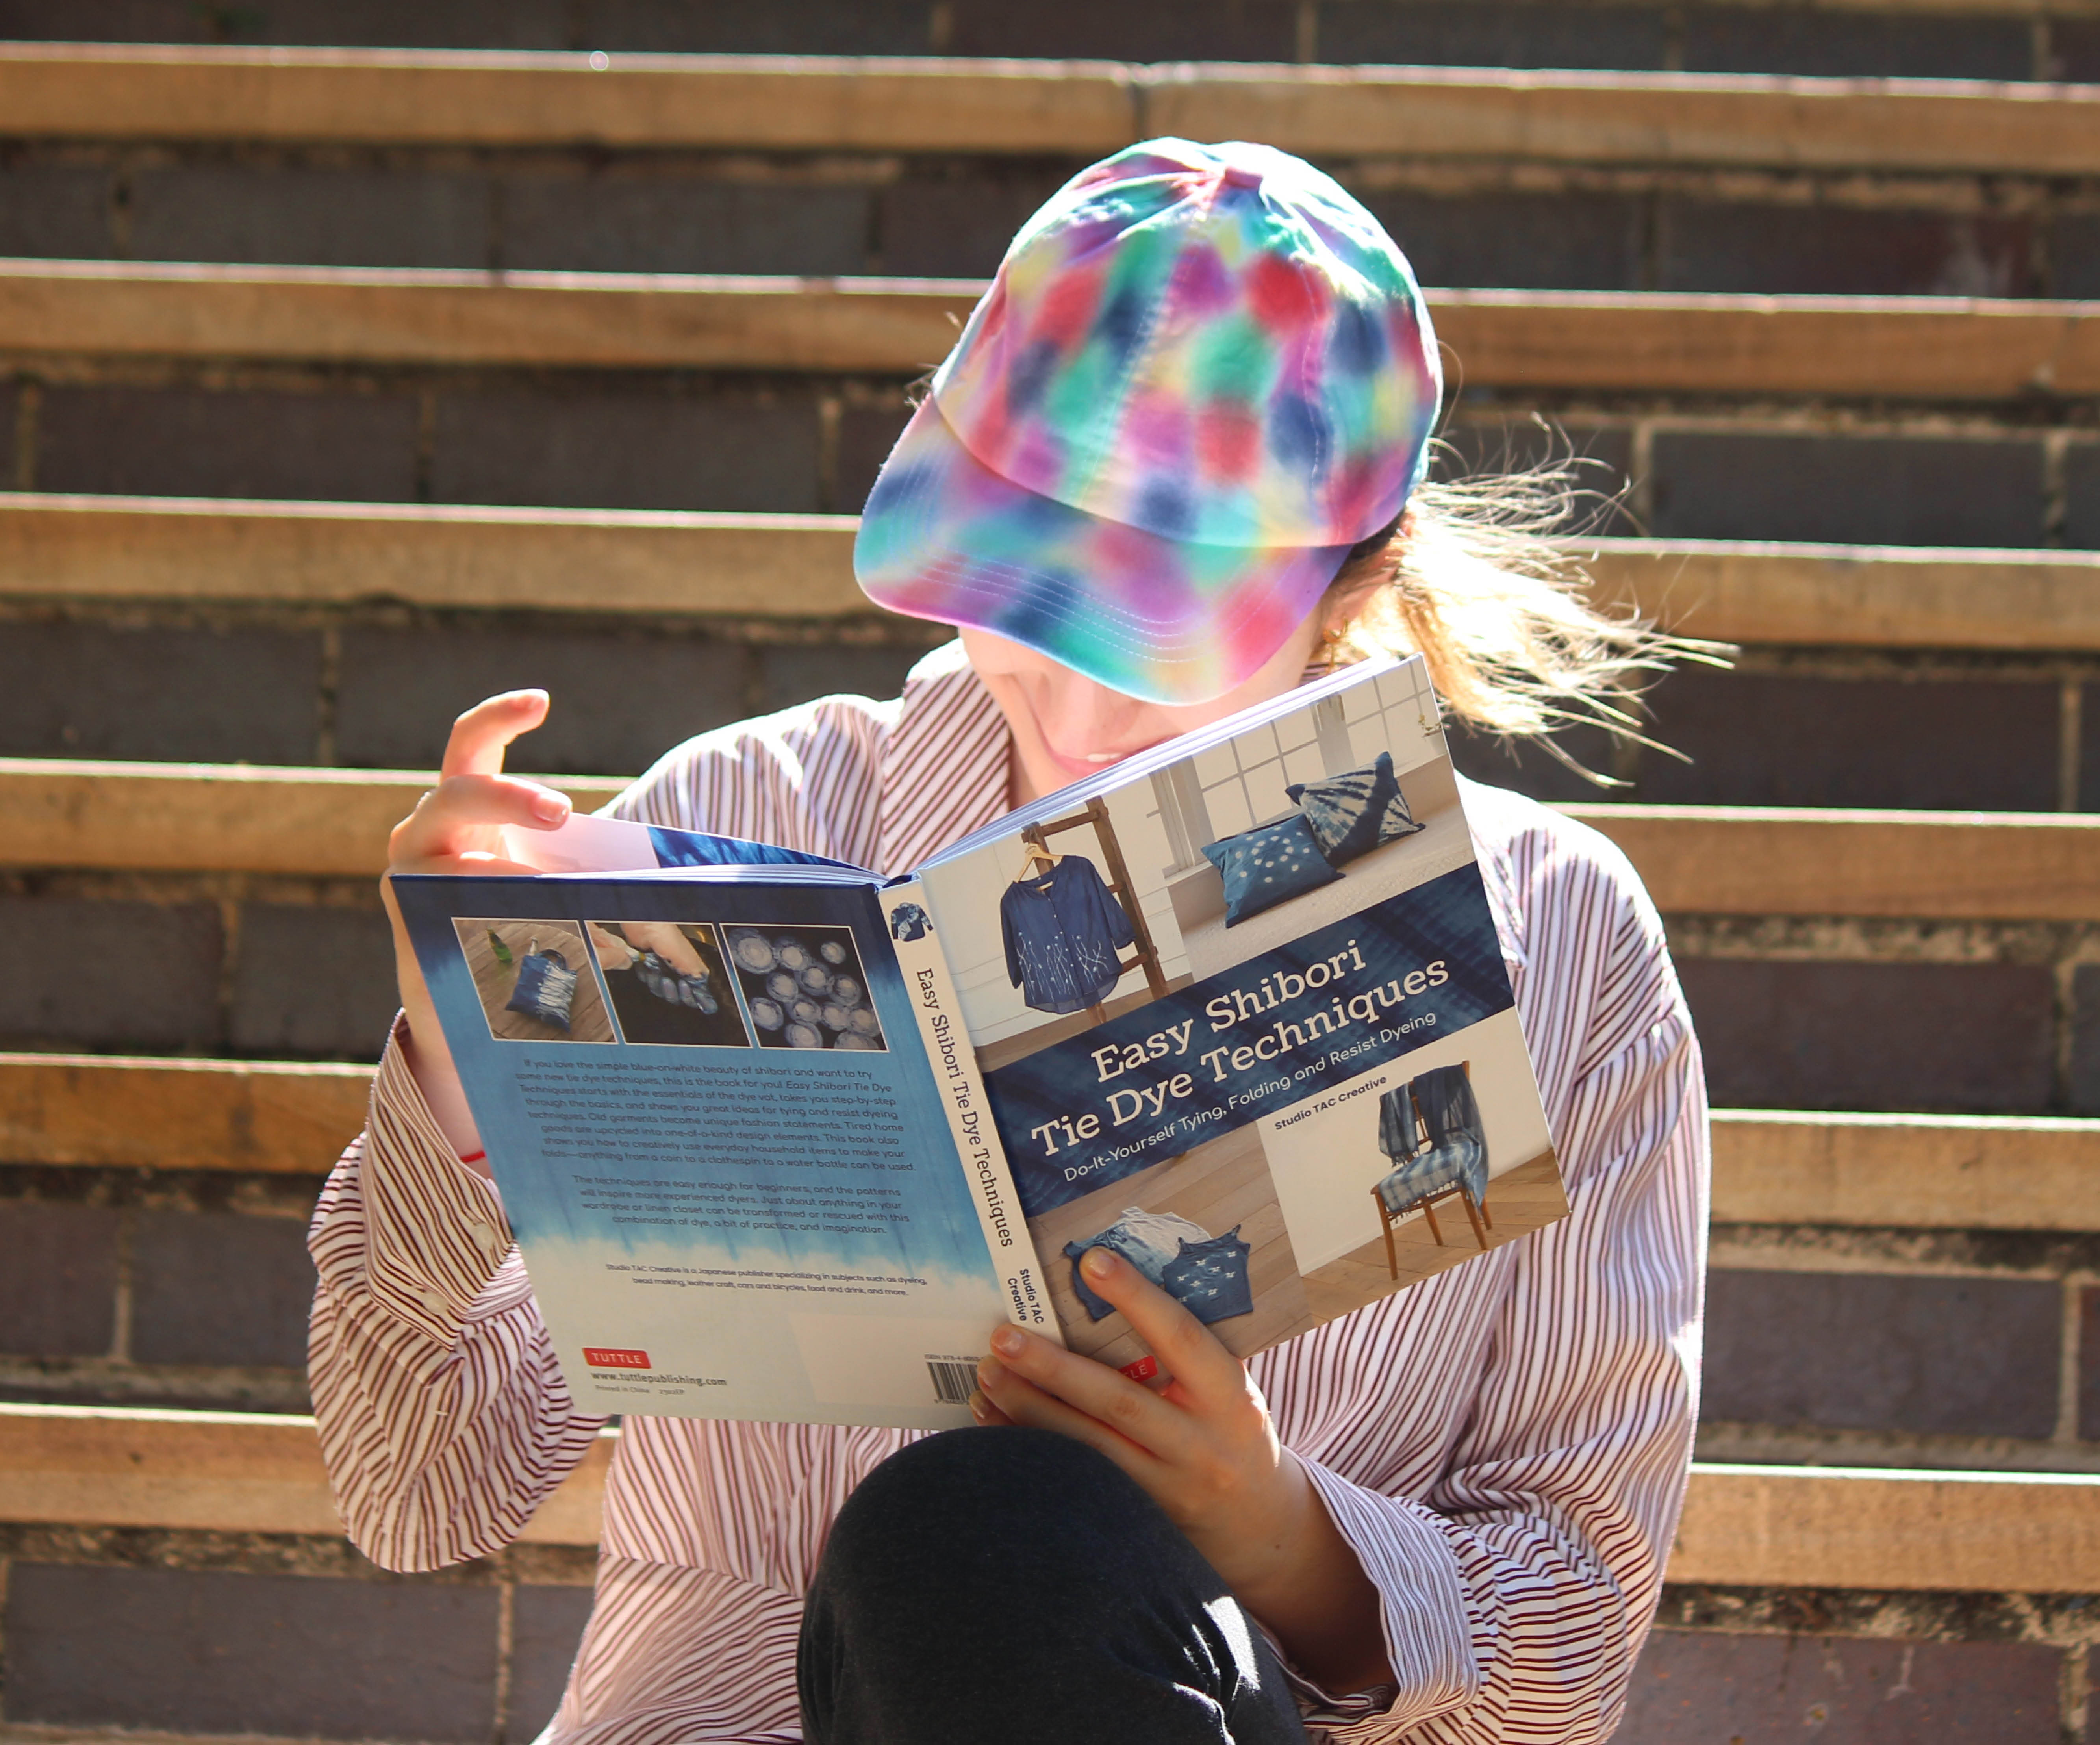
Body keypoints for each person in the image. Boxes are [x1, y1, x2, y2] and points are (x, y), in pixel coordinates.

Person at [311, 139, 1708, 1743]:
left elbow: (1567, 1656)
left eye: (1160, 637)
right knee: (955, 1534)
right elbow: (414, 1486)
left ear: (1357, 580)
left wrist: (1271, 1524)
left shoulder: (1559, 941)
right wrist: (449, 1072)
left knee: (994, 1541)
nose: (1081, 707)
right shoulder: (744, 820)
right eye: (1026, 605)